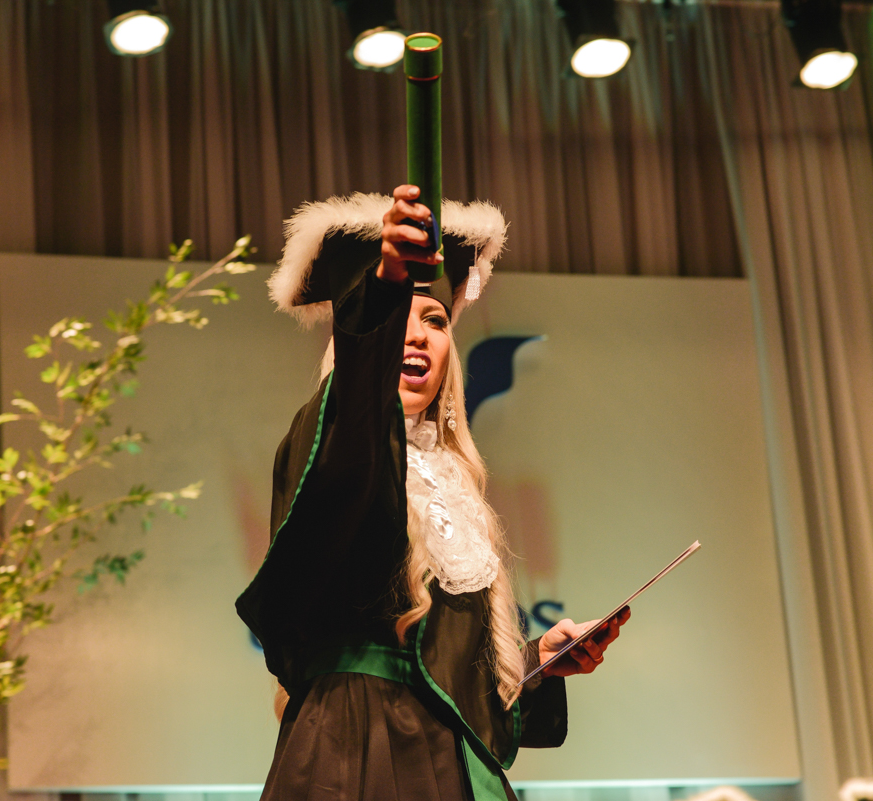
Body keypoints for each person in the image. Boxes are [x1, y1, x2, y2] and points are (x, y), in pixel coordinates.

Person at [236, 186, 630, 801]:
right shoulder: (334, 435)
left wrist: (537, 662)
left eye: (436, 321)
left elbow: (446, 671)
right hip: (356, 750)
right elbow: (357, 413)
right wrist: (385, 286)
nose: (418, 336)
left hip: (440, 760)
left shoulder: (451, 475)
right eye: (400, 316)